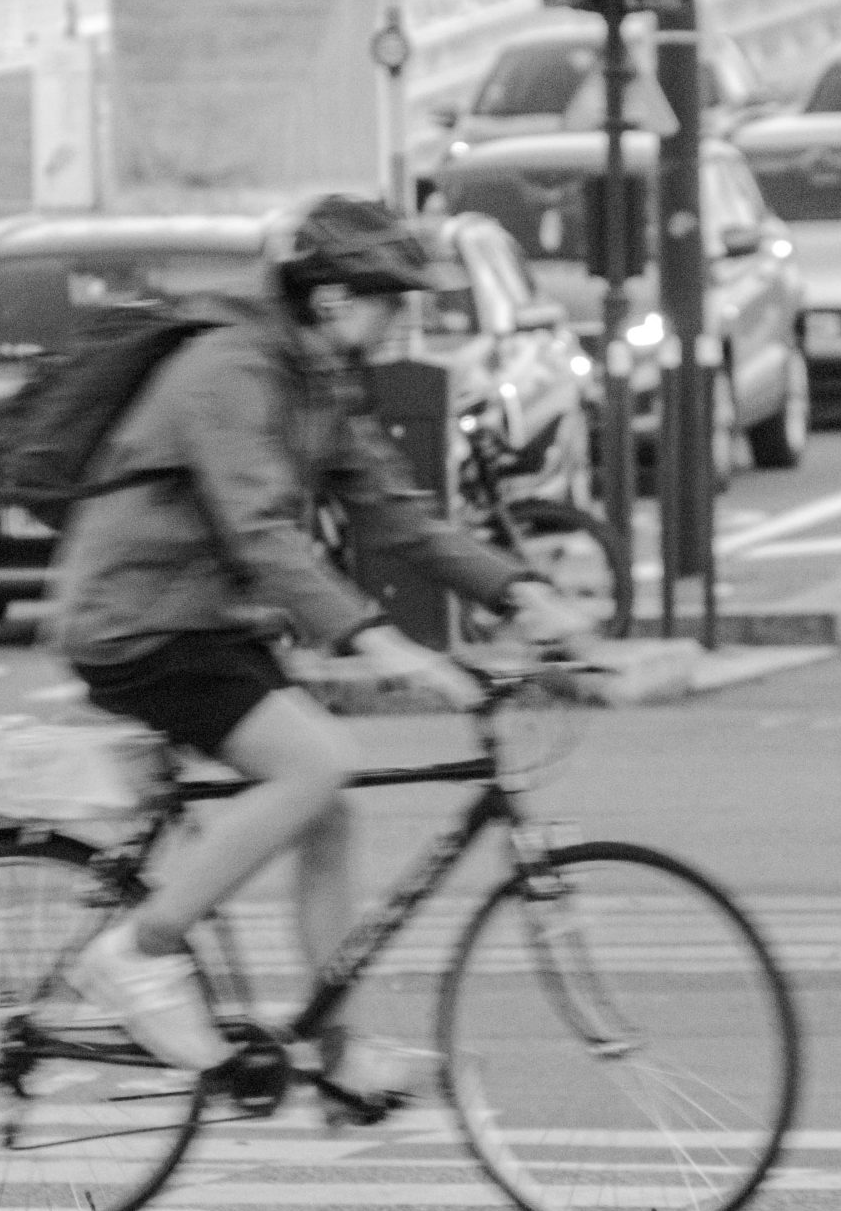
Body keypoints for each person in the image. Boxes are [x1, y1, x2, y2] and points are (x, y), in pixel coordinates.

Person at [52, 193, 592, 1095]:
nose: (398, 322)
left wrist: (520, 592)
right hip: (136, 622)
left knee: (327, 806)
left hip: (207, 619)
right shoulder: (231, 370)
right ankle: (138, 953)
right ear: (335, 298)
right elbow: (261, 533)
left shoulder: (316, 383)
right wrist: (381, 644)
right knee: (315, 765)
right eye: (390, 301)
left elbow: (399, 519)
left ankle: (332, 1050)